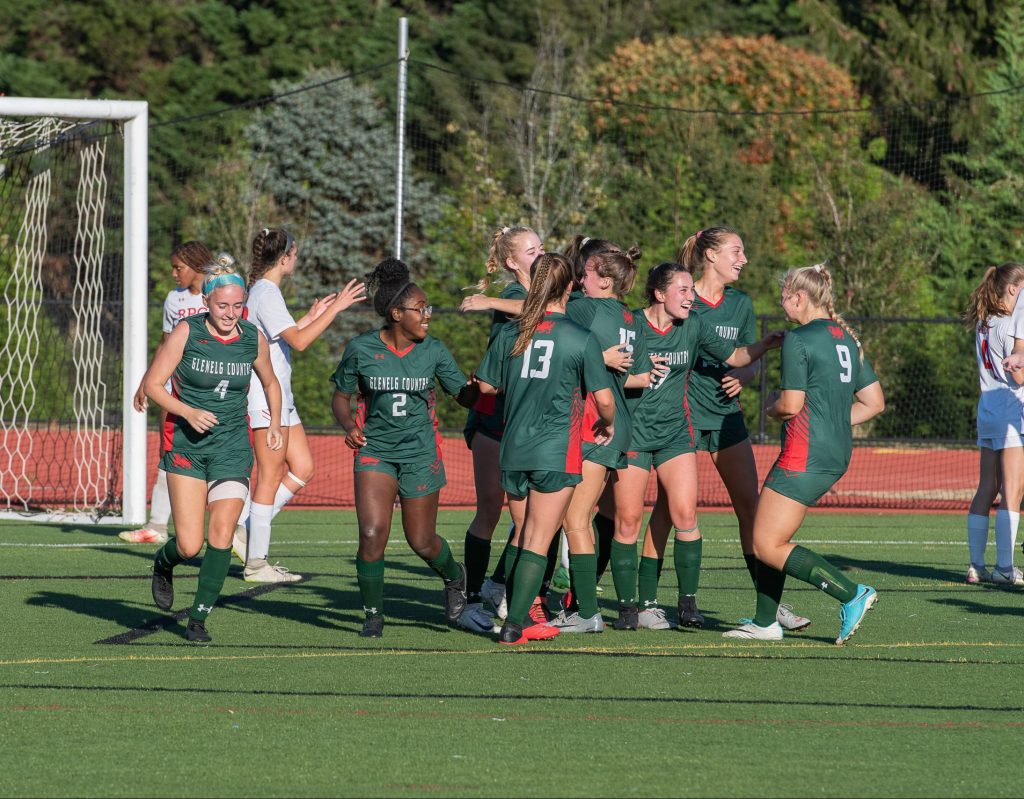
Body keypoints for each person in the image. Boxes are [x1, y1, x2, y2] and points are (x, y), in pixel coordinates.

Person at [606, 263, 781, 630]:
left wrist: (766, 344)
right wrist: (635, 377)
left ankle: (687, 604)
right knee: (628, 521)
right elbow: (602, 377)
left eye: (691, 290)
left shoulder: (694, 325)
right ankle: (629, 609)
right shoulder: (631, 324)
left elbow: (733, 357)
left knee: (685, 515)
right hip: (634, 434)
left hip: (675, 435)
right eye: (683, 290)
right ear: (659, 294)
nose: (690, 297)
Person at [723, 263, 885, 645]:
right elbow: (874, 402)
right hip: (834, 452)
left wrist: (769, 409)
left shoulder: (799, 339)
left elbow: (791, 405)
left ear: (799, 297)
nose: (781, 303)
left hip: (804, 452)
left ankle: (851, 594)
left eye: (784, 296)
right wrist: (833, 422)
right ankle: (765, 622)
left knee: (765, 543)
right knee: (771, 534)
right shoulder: (846, 338)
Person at [331, 257, 478, 638]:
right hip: (375, 452)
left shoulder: (434, 350)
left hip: (419, 454)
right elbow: (341, 396)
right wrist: (348, 425)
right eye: (420, 309)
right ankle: (373, 615)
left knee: (422, 542)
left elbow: (463, 396)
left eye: (428, 308)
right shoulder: (361, 349)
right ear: (397, 313)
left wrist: (484, 387)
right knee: (371, 532)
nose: (427, 315)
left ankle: (454, 575)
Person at [475, 252, 615, 645]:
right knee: (539, 538)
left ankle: (516, 615)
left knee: (524, 532)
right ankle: (517, 624)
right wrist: (607, 424)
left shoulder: (509, 333)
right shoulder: (579, 336)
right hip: (555, 450)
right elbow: (604, 400)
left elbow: (485, 387)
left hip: (513, 448)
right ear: (570, 286)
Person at [677, 226, 811, 633]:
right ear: (711, 255)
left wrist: (746, 377)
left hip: (723, 415)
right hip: (680, 414)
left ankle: (770, 607)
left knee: (751, 511)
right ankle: (669, 604)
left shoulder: (740, 303)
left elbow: (746, 361)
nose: (744, 258)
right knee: (673, 510)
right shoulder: (682, 296)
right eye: (737, 250)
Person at [145, 254, 283, 643]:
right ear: (207, 303)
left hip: (232, 449)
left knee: (221, 533)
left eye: (238, 305)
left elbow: (271, 382)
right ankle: (164, 561)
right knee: (190, 545)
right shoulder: (186, 333)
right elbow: (155, 385)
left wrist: (273, 423)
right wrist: (188, 410)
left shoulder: (251, 337)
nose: (231, 313)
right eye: (223, 305)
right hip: (188, 448)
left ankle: (198, 619)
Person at [233, 227, 366, 583]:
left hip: (281, 397)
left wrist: (310, 315)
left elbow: (286, 337)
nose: (298, 257)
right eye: (296, 252)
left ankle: (244, 527)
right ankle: (256, 562)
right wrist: (336, 308)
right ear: (285, 256)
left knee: (303, 467)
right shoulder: (265, 292)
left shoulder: (263, 291)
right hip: (264, 397)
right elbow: (301, 342)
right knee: (269, 476)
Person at [549, 247, 653, 633]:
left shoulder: (587, 309)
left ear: (605, 281)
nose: (580, 280)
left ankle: (587, 611)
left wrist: (485, 301)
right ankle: (579, 606)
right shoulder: (628, 316)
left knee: (575, 519)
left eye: (587, 274)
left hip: (596, 423)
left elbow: (545, 309)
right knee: (577, 517)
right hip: (615, 424)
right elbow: (639, 376)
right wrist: (600, 360)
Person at [456, 225, 541, 632]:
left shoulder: (544, 292)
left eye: (542, 247)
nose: (540, 254)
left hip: (522, 415)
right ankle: (471, 598)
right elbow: (531, 310)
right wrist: (488, 297)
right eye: (530, 250)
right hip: (493, 413)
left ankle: (497, 585)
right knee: (491, 507)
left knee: (529, 519)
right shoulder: (512, 295)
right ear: (511, 262)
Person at [120, 241, 213, 544]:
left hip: (214, 390)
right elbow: (164, 344)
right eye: (173, 267)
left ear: (198, 265)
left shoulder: (221, 293)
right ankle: (157, 526)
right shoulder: (174, 300)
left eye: (179, 268)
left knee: (217, 455)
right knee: (168, 451)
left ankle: (229, 526)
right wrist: (147, 381)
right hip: (176, 388)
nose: (174, 274)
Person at [963, 262, 1024, 586]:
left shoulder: (985, 322)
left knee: (987, 487)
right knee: (1012, 490)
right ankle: (1004, 567)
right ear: (1012, 289)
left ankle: (976, 565)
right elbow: (1018, 375)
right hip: (1008, 410)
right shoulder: (1009, 324)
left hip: (987, 407)